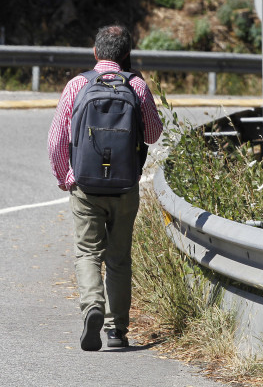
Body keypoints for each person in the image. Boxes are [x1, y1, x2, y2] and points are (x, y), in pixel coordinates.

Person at [47, 25, 163, 351]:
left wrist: (66, 177)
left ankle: (93, 305)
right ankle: (116, 332)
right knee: (119, 259)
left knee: (87, 253)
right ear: (127, 55)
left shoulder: (77, 85)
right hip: (125, 187)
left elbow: (56, 139)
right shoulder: (137, 85)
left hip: (86, 186)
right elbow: (153, 135)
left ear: (95, 52)